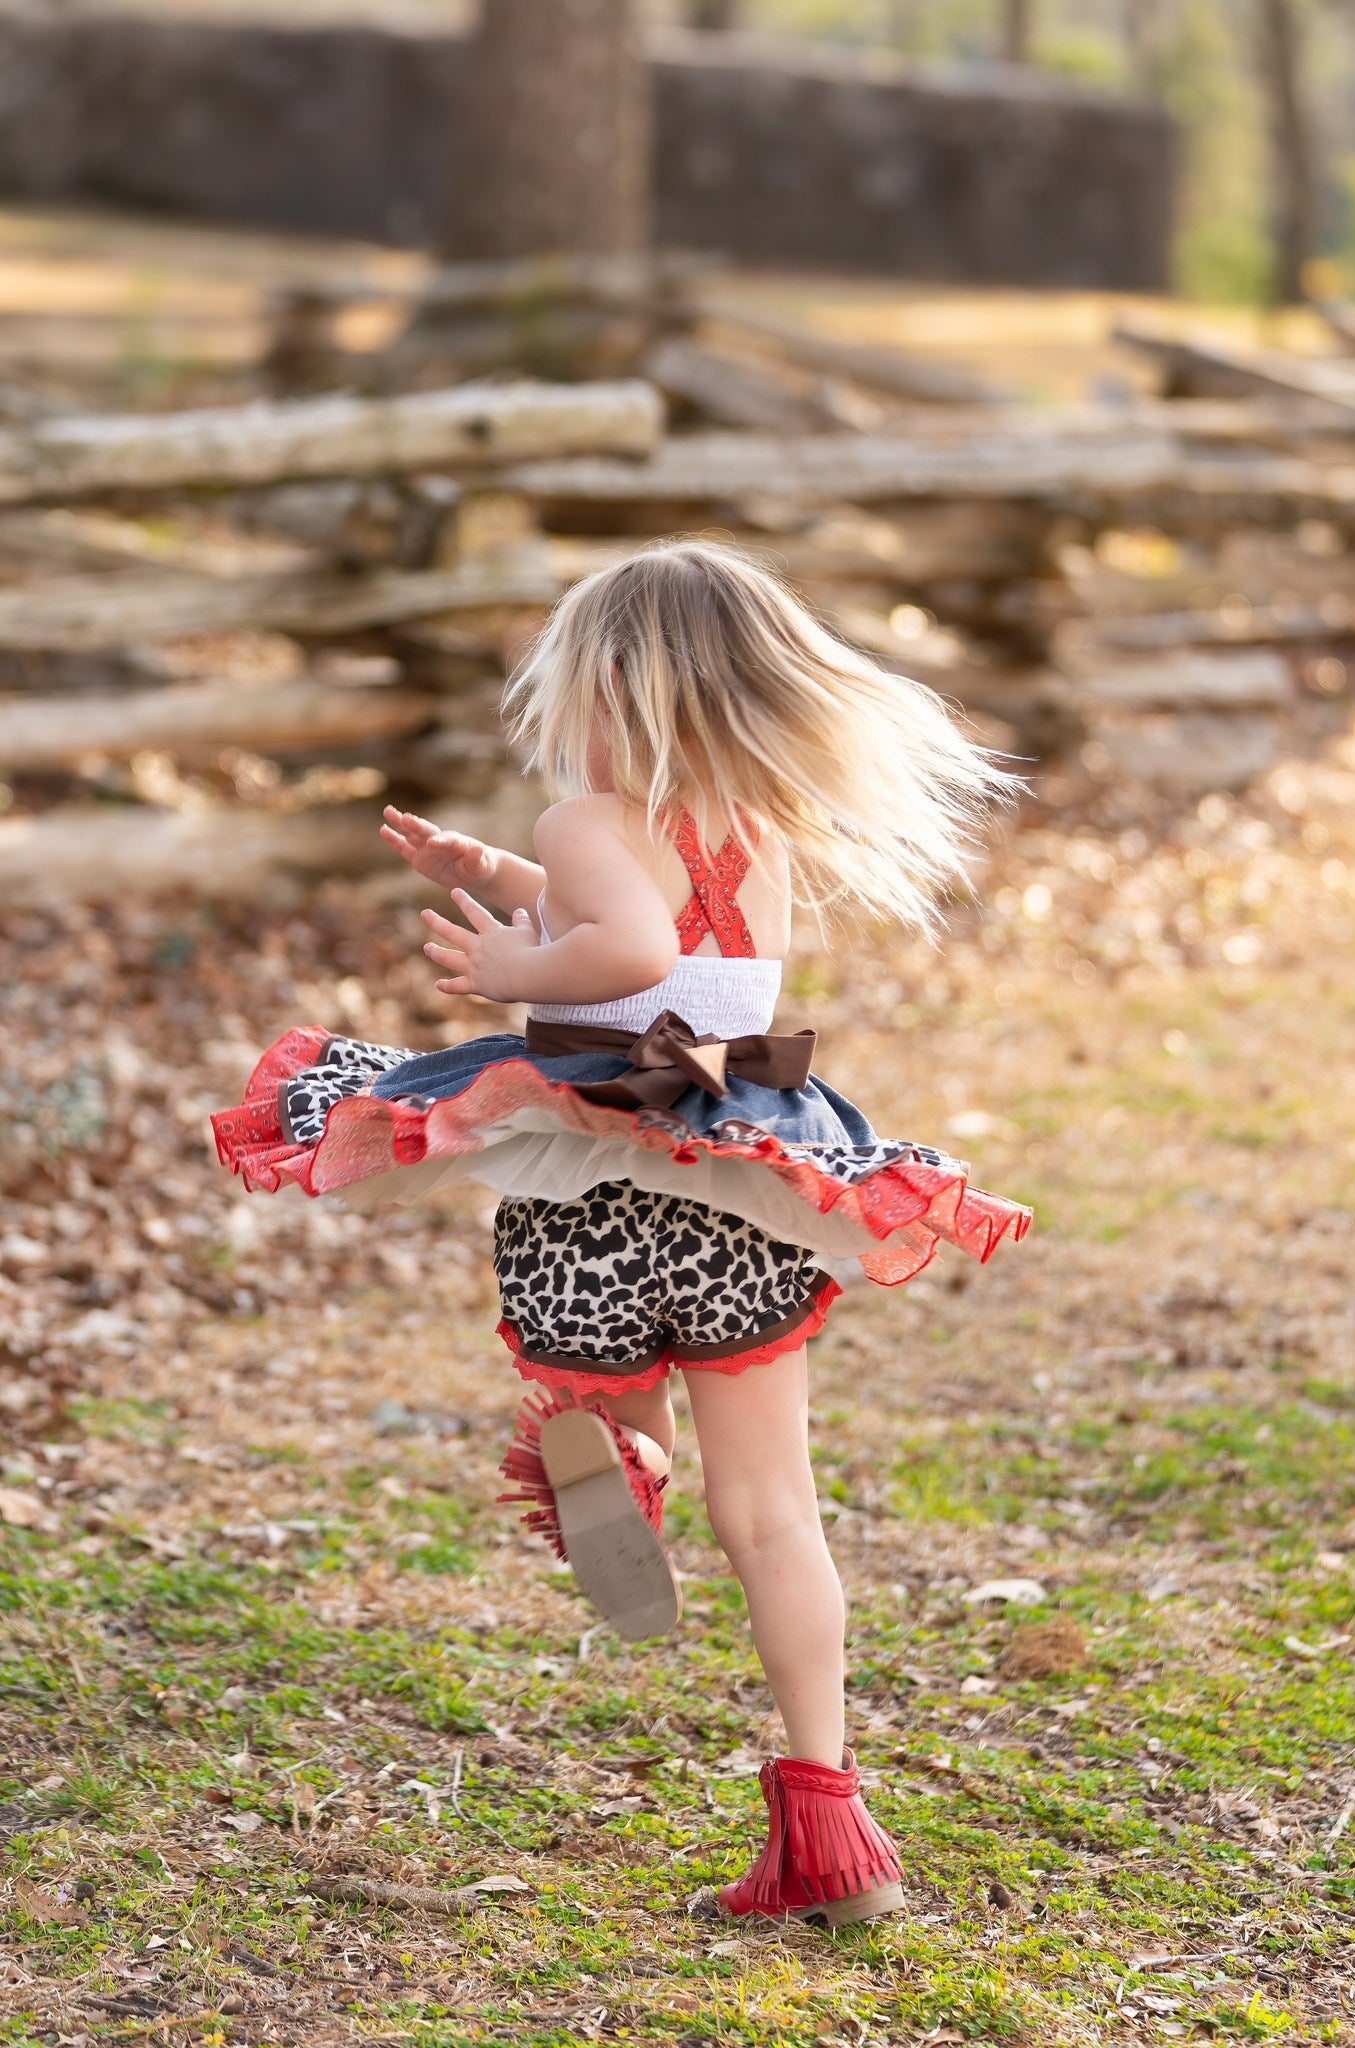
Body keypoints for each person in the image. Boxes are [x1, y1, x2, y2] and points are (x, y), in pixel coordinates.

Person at [211, 539, 1031, 1926]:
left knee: (598, 1372)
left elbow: (629, 954)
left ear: (611, 685)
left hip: (593, 1168)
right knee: (774, 1511)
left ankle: (620, 1458)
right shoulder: (755, 824)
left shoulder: (590, 813)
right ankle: (830, 1826)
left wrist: (513, 964)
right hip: (737, 1174)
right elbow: (664, 945)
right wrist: (502, 874)